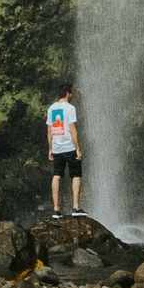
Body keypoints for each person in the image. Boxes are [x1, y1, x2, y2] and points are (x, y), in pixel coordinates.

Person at [45, 83, 84, 219]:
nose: (72, 95)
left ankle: (56, 210)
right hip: (69, 147)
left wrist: (50, 148)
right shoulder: (70, 108)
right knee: (76, 175)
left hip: (57, 147)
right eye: (71, 93)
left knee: (57, 175)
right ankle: (76, 207)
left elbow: (49, 131)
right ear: (67, 93)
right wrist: (78, 148)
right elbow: (72, 129)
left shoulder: (51, 108)